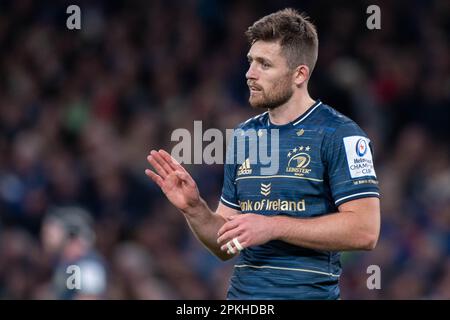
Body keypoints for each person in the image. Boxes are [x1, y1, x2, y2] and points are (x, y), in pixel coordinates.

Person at [145, 8, 380, 299]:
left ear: (299, 74)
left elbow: (365, 231)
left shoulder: (340, 134)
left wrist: (273, 226)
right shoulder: (244, 136)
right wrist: (195, 210)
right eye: (250, 62)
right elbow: (226, 247)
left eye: (264, 65)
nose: (250, 74)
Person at [41, 206, 107, 299]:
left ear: (69, 232)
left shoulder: (89, 264)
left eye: (50, 233)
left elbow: (89, 297)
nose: (45, 237)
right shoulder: (63, 262)